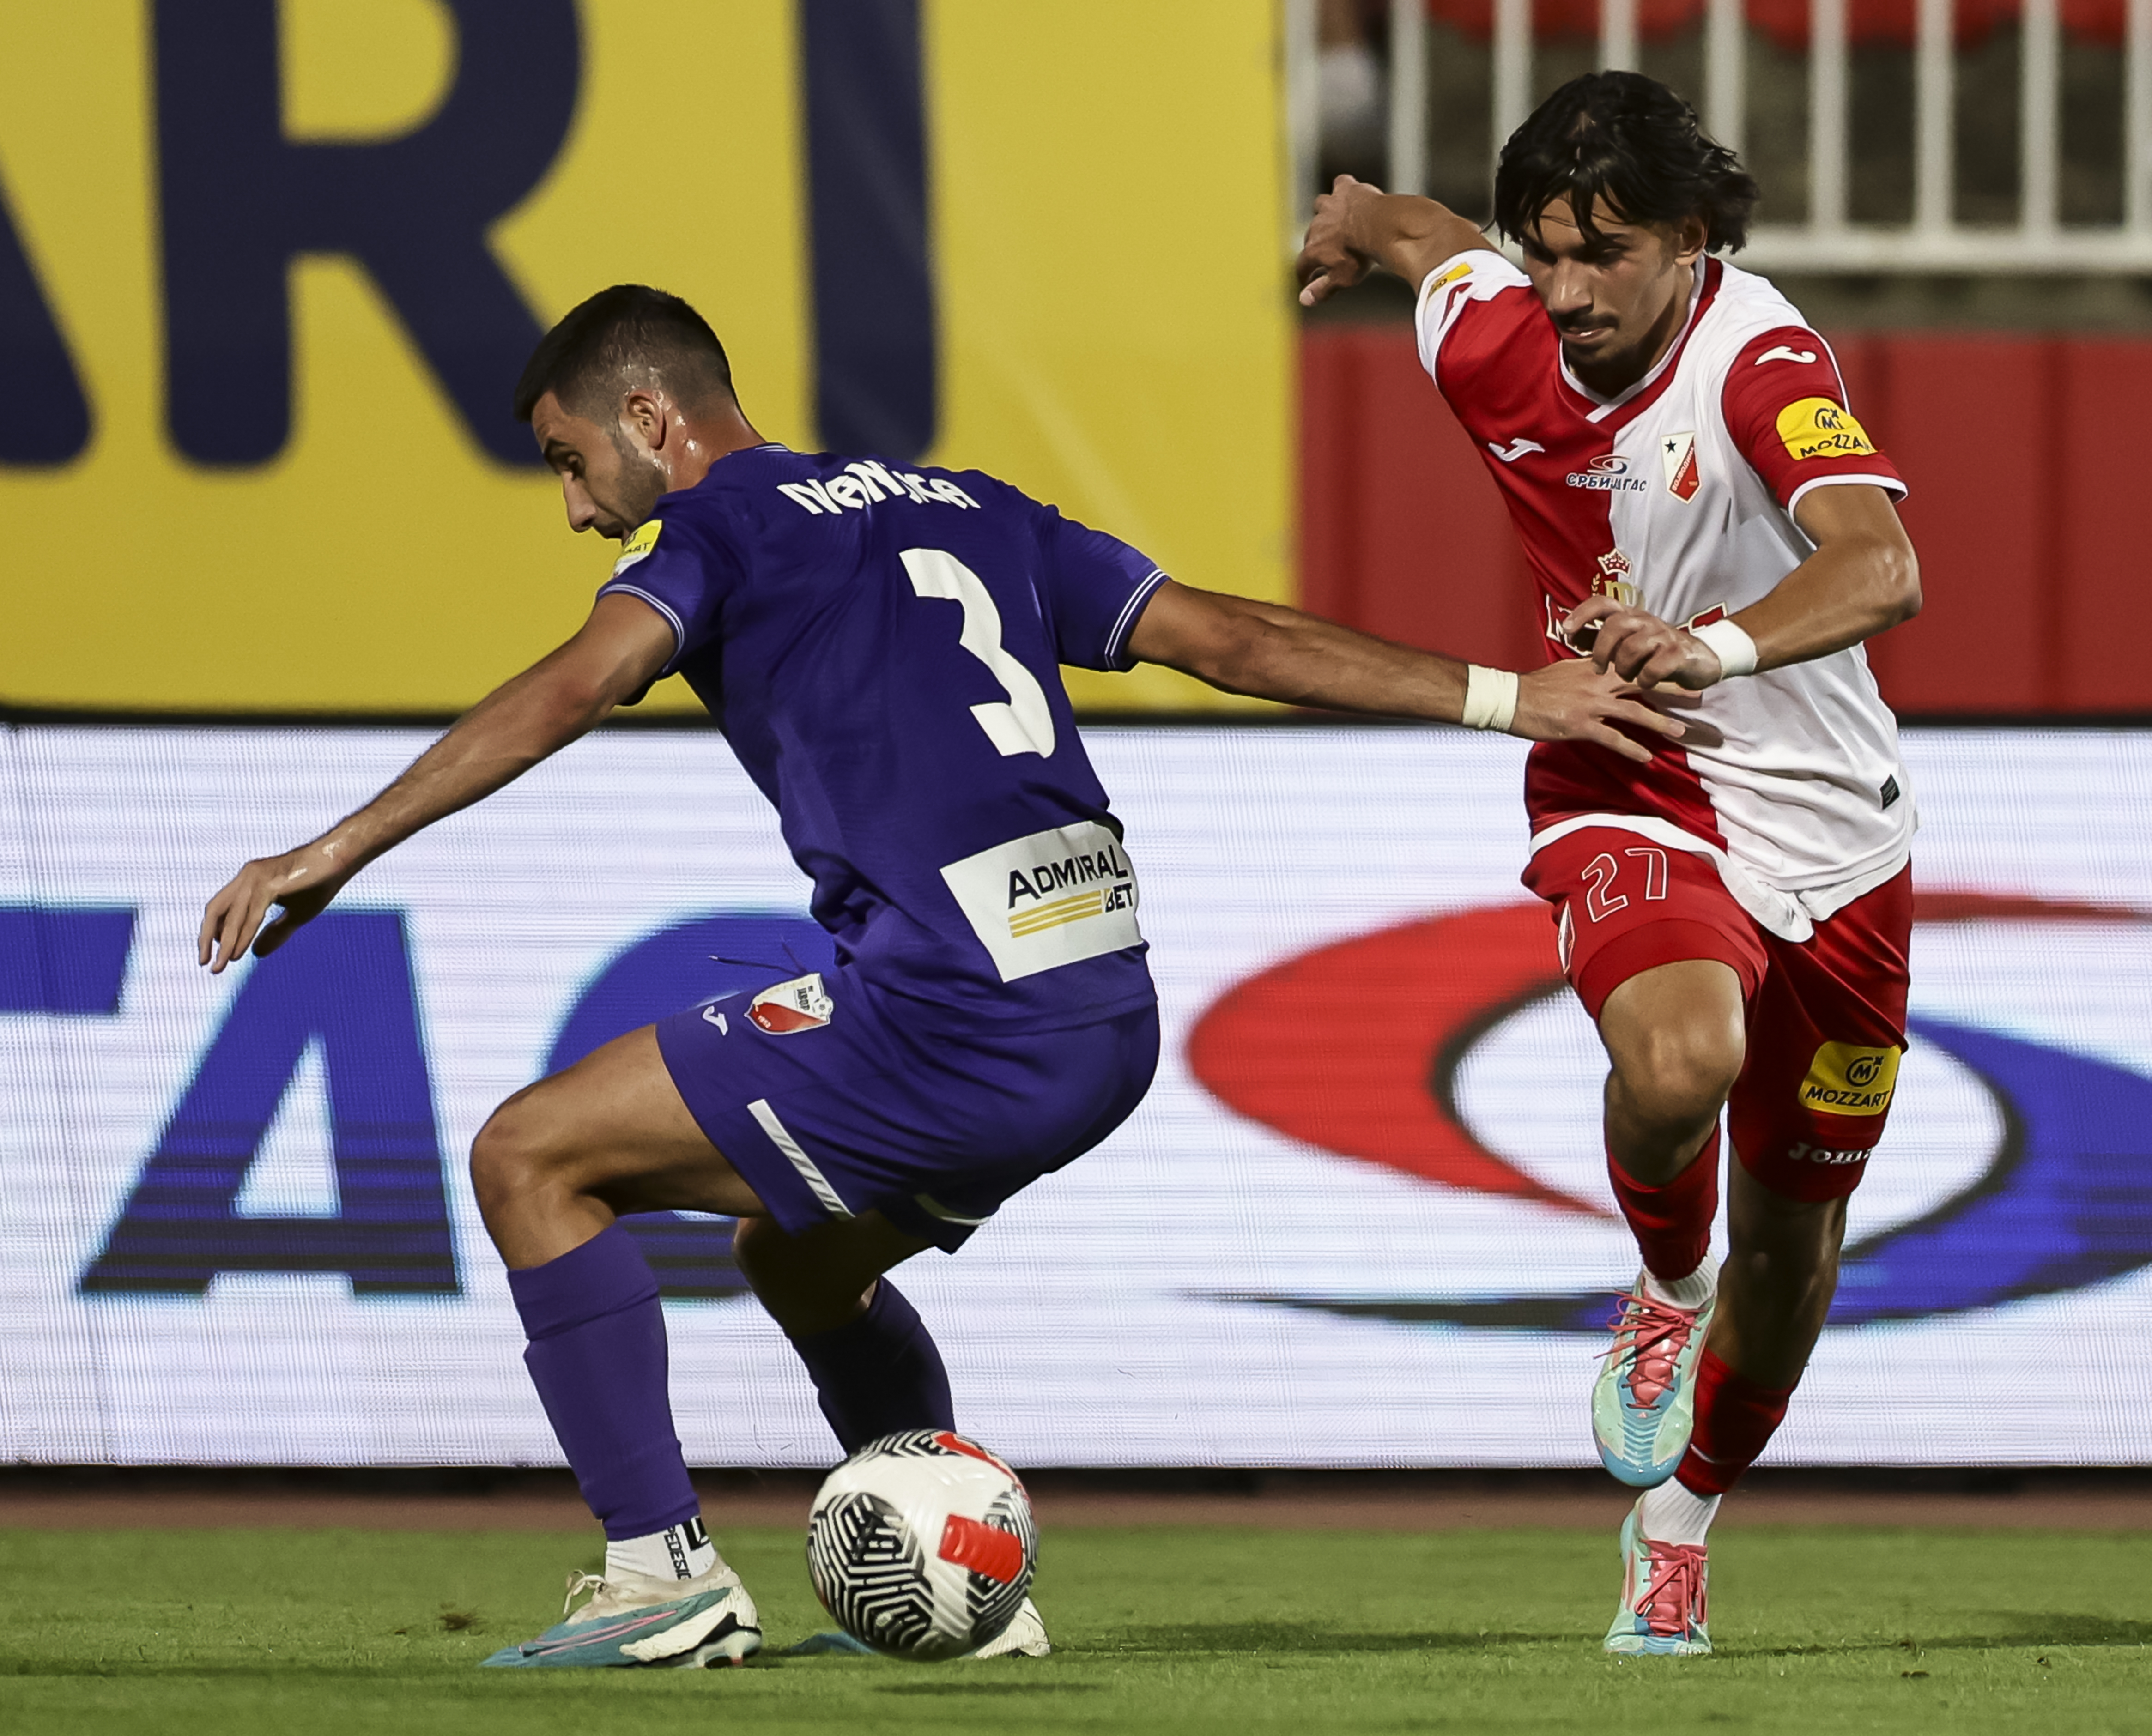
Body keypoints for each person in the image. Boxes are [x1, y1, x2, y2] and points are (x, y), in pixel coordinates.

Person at [195, 285, 1671, 1670]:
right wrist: (1505, 695)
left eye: (569, 462)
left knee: (529, 1156)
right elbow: (1227, 636)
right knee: (799, 1256)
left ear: (648, 419)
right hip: (1101, 1017)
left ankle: (659, 1575)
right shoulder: (973, 506)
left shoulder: (718, 531)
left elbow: (574, 688)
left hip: (952, 1014)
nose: (577, 509)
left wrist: (334, 848)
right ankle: (974, 1593)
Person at [1297, 72, 1922, 1656]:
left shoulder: (1760, 360)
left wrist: (1709, 649)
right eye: (1544, 251)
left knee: (1791, 1252)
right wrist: (1352, 224)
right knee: (1681, 1056)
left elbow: (1881, 562)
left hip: (1835, 830)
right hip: (1624, 771)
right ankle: (1657, 1289)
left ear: (1692, 242)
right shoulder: (1497, 329)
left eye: (1605, 254)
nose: (1564, 291)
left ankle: (1680, 1517)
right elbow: (1422, 237)